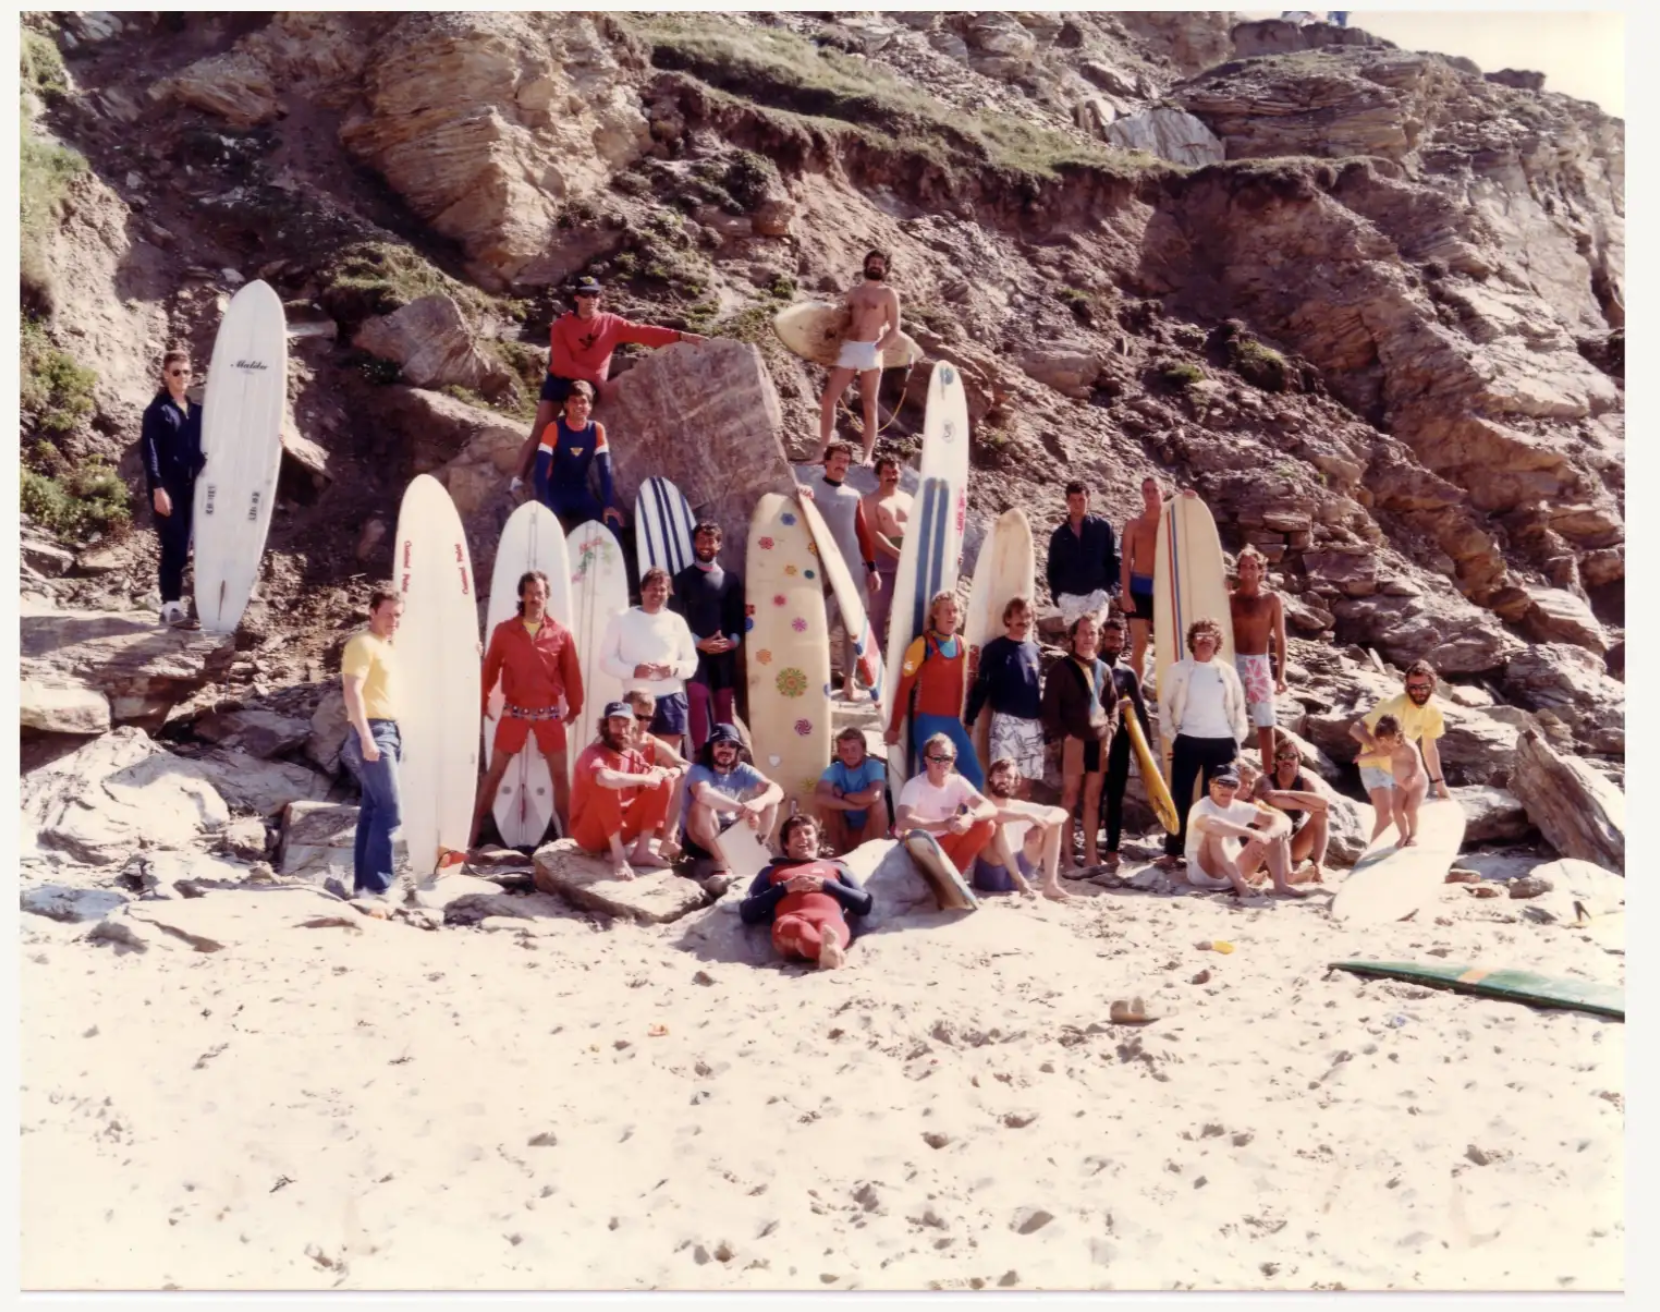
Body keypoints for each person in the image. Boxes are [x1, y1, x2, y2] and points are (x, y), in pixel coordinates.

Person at [510, 276, 705, 490]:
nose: (591, 299)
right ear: (576, 297)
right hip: (560, 378)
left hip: (585, 384)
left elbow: (644, 333)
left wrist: (681, 336)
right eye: (585, 295)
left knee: (571, 428)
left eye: (595, 295)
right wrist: (600, 382)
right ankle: (517, 479)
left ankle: (560, 482)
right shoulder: (561, 326)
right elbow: (563, 363)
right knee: (541, 426)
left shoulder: (611, 322)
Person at [472, 570, 584, 848]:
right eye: (531, 592)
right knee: (494, 773)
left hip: (549, 715)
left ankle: (568, 837)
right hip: (515, 713)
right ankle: (471, 834)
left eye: (541, 593)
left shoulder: (560, 633)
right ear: (522, 595)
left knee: (560, 776)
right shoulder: (504, 631)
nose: (536, 598)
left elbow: (572, 673)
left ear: (547, 598)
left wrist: (576, 705)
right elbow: (490, 669)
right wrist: (482, 700)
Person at [1160, 617, 1249, 866]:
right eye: (1200, 634)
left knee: (1211, 800)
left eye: (1210, 635)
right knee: (1179, 796)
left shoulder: (1227, 672)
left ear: (1217, 641)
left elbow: (1239, 708)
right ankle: (1172, 852)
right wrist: (1174, 735)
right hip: (1188, 740)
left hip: (1221, 742)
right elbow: (1165, 706)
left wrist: (1236, 740)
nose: (1205, 639)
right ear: (1192, 640)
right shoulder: (1178, 670)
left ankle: (1204, 854)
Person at [798, 441, 882, 699]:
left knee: (851, 626)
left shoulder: (853, 495)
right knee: (819, 622)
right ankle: (816, 677)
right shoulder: (811, 491)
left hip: (852, 568)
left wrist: (872, 568)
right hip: (822, 570)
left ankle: (849, 682)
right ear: (826, 461)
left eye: (846, 461)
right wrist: (799, 494)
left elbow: (862, 533)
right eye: (837, 459)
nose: (841, 465)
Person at [739, 814, 873, 970]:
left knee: (831, 929)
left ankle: (829, 950)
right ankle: (825, 952)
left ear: (817, 841)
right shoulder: (771, 871)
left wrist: (825, 885)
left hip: (830, 920)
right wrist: (785, 888)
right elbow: (747, 912)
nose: (803, 838)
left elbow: (865, 903)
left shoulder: (836, 867)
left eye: (808, 833)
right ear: (786, 844)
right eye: (796, 834)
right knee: (799, 929)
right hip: (790, 922)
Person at [337, 590, 404, 899]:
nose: (394, 621)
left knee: (373, 808)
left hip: (389, 729)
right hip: (374, 730)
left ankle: (364, 886)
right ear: (372, 612)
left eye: (398, 615)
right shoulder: (362, 644)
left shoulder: (386, 647)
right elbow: (352, 692)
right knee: (390, 809)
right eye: (389, 614)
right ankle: (378, 886)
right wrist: (365, 737)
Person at [1040, 613, 1117, 873]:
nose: (1087, 638)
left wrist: (1111, 730)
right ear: (1073, 636)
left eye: (1092, 633)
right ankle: (1068, 856)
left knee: (1093, 799)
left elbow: (1113, 706)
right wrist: (1065, 734)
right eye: (1083, 632)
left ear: (1099, 637)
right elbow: (1049, 708)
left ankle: (1092, 856)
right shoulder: (1061, 669)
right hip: (1074, 741)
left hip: (1099, 741)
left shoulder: (1105, 670)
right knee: (1071, 796)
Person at [566, 702, 677, 879]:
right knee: (606, 782)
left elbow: (656, 782)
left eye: (626, 724)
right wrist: (646, 778)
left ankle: (642, 851)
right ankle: (619, 858)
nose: (621, 729)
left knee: (664, 781)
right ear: (605, 726)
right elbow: (605, 778)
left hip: (622, 829)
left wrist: (665, 772)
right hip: (591, 832)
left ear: (633, 728)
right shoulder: (592, 753)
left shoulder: (633, 756)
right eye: (615, 723)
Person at [885, 591, 983, 789]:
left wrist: (968, 721)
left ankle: (964, 819)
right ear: (935, 614)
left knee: (976, 778)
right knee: (931, 782)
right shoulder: (922, 645)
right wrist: (895, 726)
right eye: (946, 611)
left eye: (955, 611)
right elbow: (904, 688)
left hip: (953, 724)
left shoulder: (962, 645)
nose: (951, 615)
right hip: (926, 723)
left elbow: (964, 688)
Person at [814, 249, 903, 465]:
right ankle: (821, 452)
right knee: (828, 399)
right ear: (866, 265)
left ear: (886, 269)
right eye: (872, 262)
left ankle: (867, 456)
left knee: (869, 404)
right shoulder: (853, 292)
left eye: (880, 263)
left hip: (871, 350)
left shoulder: (888, 294)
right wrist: (832, 342)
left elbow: (895, 329)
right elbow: (844, 320)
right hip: (849, 348)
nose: (875, 265)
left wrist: (876, 349)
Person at [599, 567, 700, 753]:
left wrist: (674, 669)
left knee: (668, 761)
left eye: (662, 589)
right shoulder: (622, 619)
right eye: (653, 588)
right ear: (642, 590)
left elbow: (691, 663)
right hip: (634, 701)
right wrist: (633, 671)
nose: (658, 593)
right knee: (632, 756)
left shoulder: (676, 621)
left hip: (671, 700)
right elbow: (605, 660)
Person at [139, 347, 206, 626]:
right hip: (168, 487)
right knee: (174, 545)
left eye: (186, 372)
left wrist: (275, 438)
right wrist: (157, 488)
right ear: (166, 375)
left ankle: (186, 607)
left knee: (189, 547)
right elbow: (149, 450)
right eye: (176, 372)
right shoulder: (157, 411)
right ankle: (171, 607)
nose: (182, 377)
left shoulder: (197, 411)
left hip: (194, 488)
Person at [1349, 659, 1451, 839]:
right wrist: (1376, 746)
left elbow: (1429, 748)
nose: (1418, 692)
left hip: (1398, 768)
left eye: (1424, 687)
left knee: (1406, 813)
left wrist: (1440, 784)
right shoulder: (1393, 706)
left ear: (1433, 685)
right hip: (1373, 764)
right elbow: (1355, 728)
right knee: (1386, 814)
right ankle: (1371, 863)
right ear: (1406, 686)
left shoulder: (1433, 713)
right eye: (1413, 687)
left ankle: (1400, 850)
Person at [669, 521, 744, 754]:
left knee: (723, 701)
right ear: (694, 542)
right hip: (695, 650)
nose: (705, 545)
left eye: (711, 540)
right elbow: (675, 618)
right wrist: (699, 642)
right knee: (698, 697)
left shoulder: (730, 580)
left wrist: (732, 641)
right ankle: (701, 754)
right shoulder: (681, 579)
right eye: (701, 540)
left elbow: (737, 616)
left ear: (719, 545)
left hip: (724, 651)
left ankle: (727, 752)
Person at [511, 380, 623, 536]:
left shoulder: (596, 430)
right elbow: (541, 470)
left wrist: (608, 505)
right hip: (555, 494)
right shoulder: (554, 429)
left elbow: (605, 470)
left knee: (611, 523)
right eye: (573, 401)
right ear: (565, 405)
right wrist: (544, 503)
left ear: (590, 406)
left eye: (583, 402)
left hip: (580, 493)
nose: (578, 406)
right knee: (550, 531)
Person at [1183, 766, 1308, 898]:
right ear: (1211, 784)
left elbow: (1283, 821)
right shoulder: (1202, 806)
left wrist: (1267, 835)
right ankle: (1241, 886)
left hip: (1239, 869)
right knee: (1214, 833)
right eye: (1221, 783)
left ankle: (1280, 886)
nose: (1226, 789)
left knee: (1272, 829)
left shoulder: (1241, 807)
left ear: (1237, 787)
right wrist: (1251, 833)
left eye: (1232, 785)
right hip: (1205, 874)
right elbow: (1210, 824)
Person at [683, 723, 784, 885]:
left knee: (770, 802)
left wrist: (758, 803)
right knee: (702, 805)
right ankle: (723, 863)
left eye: (731, 746)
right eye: (721, 744)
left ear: (737, 751)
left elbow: (777, 790)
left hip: (730, 831)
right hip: (700, 836)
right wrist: (744, 809)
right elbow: (703, 794)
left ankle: (753, 852)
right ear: (711, 748)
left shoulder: (742, 769)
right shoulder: (699, 769)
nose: (726, 749)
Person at [963, 596, 1045, 795]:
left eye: (1028, 616)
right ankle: (997, 826)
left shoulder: (1035, 650)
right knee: (1002, 783)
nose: (1023, 621)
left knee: (1026, 786)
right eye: (1018, 616)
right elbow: (982, 685)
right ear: (1007, 619)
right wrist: (970, 719)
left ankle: (1017, 825)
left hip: (1033, 723)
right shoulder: (995, 649)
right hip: (1005, 723)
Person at [895, 732, 999, 875]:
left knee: (987, 825)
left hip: (944, 841)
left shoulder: (957, 782)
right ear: (927, 760)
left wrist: (970, 816)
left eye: (947, 758)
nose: (942, 764)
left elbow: (990, 807)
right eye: (937, 759)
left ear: (953, 759)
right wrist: (942, 824)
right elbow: (902, 821)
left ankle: (954, 877)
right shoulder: (914, 785)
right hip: (917, 844)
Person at [1097, 615, 1153, 871]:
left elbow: (1139, 711)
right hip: (1094, 741)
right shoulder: (1091, 667)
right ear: (1101, 638)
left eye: (1119, 639)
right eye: (1110, 638)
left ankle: (1111, 849)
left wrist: (1147, 749)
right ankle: (1088, 845)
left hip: (1119, 742)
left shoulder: (1127, 673)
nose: (1114, 643)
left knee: (1116, 796)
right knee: (1093, 795)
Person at [1229, 545, 1289, 773]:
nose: (1248, 571)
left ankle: (1268, 774)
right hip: (1233, 662)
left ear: (1261, 571)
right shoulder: (1230, 599)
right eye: (1243, 566)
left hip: (1258, 664)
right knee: (1231, 717)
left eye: (1253, 566)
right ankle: (1231, 767)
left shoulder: (1271, 599)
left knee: (1265, 722)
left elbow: (1281, 639)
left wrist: (1281, 675)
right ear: (1238, 570)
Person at [979, 757, 1070, 901]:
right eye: (1000, 775)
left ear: (1016, 783)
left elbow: (1062, 813)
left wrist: (1040, 826)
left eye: (1009, 777)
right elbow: (995, 813)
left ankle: (1050, 884)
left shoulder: (1018, 805)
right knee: (996, 824)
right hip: (992, 874)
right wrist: (1026, 816)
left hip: (1021, 868)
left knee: (1054, 823)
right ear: (990, 778)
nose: (1004, 780)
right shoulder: (981, 803)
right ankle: (1019, 880)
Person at [1251, 730, 1330, 881]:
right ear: (1276, 761)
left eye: (1291, 756)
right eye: (1281, 757)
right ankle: (1285, 873)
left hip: (1294, 845)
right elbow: (1275, 801)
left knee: (1322, 815)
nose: (1286, 760)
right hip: (1270, 842)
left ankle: (1319, 865)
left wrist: (1287, 793)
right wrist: (1307, 802)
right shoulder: (1265, 781)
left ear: (1298, 759)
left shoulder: (1306, 782)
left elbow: (1324, 803)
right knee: (1279, 821)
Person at [1045, 480, 1120, 630]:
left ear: (1088, 500)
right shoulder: (1059, 535)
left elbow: (1115, 559)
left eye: (1081, 499)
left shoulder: (1103, 528)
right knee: (1076, 638)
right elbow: (1053, 569)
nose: (1077, 504)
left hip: (1097, 594)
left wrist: (1110, 589)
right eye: (1073, 500)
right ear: (1067, 502)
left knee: (1093, 632)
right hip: (1069, 597)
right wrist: (1057, 596)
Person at [625, 689, 689, 862]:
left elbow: (688, 767)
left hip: (640, 812)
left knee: (677, 779)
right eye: (639, 717)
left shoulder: (652, 743)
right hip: (613, 814)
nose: (643, 724)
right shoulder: (611, 740)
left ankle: (667, 839)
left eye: (649, 718)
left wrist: (673, 771)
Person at [1117, 476, 1164, 685]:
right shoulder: (1133, 525)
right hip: (1139, 586)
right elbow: (1126, 561)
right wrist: (1125, 593)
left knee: (1167, 644)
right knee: (1140, 644)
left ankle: (1167, 692)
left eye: (1154, 490)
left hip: (1166, 588)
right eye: (1146, 491)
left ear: (1163, 491)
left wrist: (1190, 499)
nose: (1151, 494)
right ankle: (1135, 691)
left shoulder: (1172, 524)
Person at [815, 726, 890, 854]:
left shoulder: (873, 766)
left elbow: (874, 795)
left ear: (863, 749)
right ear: (839, 752)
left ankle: (876, 852)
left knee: (878, 804)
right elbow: (820, 797)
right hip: (845, 827)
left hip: (869, 827)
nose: (850, 754)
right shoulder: (835, 769)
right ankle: (839, 853)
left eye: (854, 749)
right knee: (826, 804)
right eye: (845, 750)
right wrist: (855, 806)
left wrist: (843, 795)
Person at [862, 454, 910, 648]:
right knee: (878, 616)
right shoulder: (870, 500)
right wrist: (896, 553)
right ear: (879, 475)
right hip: (883, 566)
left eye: (895, 471)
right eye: (887, 472)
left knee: (907, 616)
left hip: (908, 565)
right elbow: (871, 533)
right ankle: (872, 670)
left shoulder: (908, 498)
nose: (892, 476)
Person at [1369, 715, 1428, 847]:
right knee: (1396, 810)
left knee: (1410, 810)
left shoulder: (1409, 746)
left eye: (1387, 739)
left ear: (1398, 734)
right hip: (1400, 784)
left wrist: (1412, 776)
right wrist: (1363, 756)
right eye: (1382, 740)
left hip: (1416, 784)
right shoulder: (1389, 746)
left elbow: (1417, 762)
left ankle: (1413, 835)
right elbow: (1379, 753)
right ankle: (1403, 835)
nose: (1384, 743)